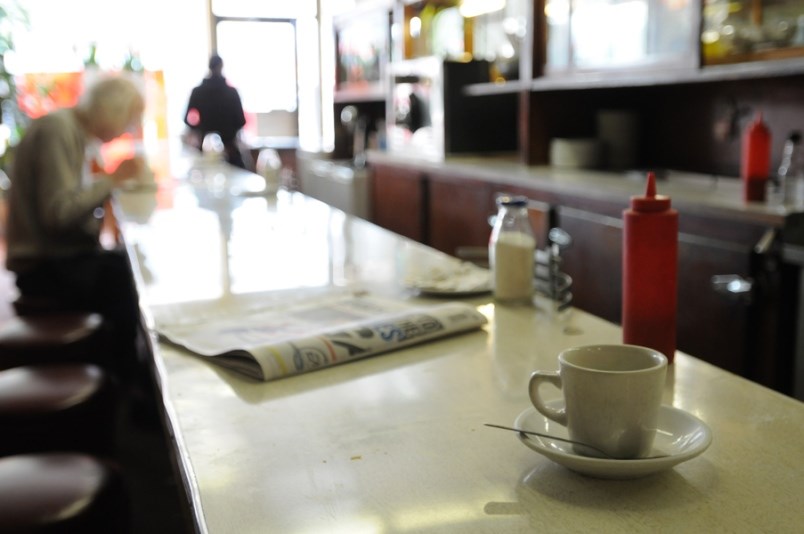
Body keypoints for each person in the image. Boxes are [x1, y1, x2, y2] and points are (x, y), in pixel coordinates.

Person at [4, 75, 148, 388]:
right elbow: (58, 215)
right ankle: (131, 385)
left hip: (57, 259)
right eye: (129, 119)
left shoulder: (73, 131)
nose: (128, 128)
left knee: (128, 263)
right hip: (41, 267)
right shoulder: (58, 129)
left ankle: (126, 375)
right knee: (126, 274)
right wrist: (112, 180)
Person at [184, 54, 248, 169]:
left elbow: (187, 119)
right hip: (230, 151)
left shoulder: (198, 92)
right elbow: (241, 121)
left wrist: (200, 128)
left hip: (204, 149)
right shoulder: (232, 93)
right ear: (221, 67)